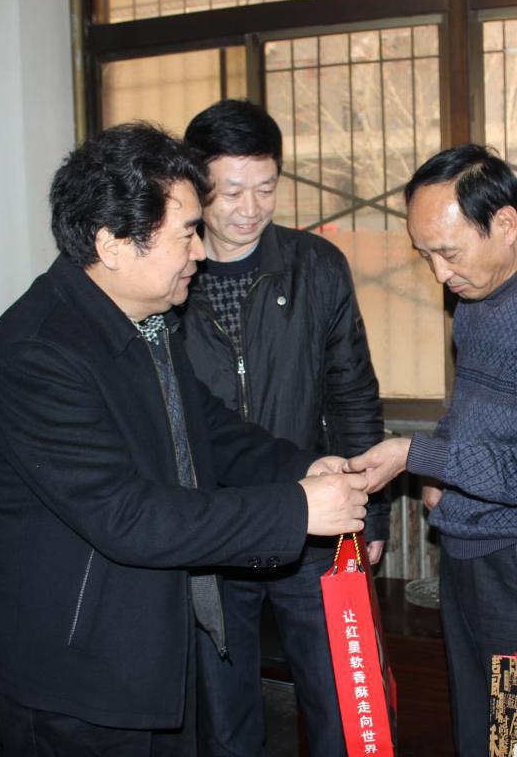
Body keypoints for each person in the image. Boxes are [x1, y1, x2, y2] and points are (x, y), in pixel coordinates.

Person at [0, 122, 370, 757]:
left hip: (147, 644)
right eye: (186, 233)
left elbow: (208, 428)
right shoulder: (39, 354)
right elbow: (126, 516)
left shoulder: (143, 322)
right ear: (113, 244)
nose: (201, 252)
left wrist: (303, 466)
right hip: (78, 676)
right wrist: (296, 508)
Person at [348, 144, 517, 756]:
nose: (438, 274)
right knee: (478, 733)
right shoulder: (476, 300)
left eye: (448, 252)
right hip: (470, 550)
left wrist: (420, 456)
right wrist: (438, 461)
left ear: (504, 223)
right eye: (425, 255)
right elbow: (473, 414)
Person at [180, 99, 388, 757]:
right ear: (195, 186)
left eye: (265, 188)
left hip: (314, 526)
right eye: (230, 191)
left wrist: (370, 511)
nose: (250, 208)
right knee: (224, 718)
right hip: (213, 531)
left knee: (340, 702)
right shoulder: (170, 275)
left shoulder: (315, 265)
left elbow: (351, 392)